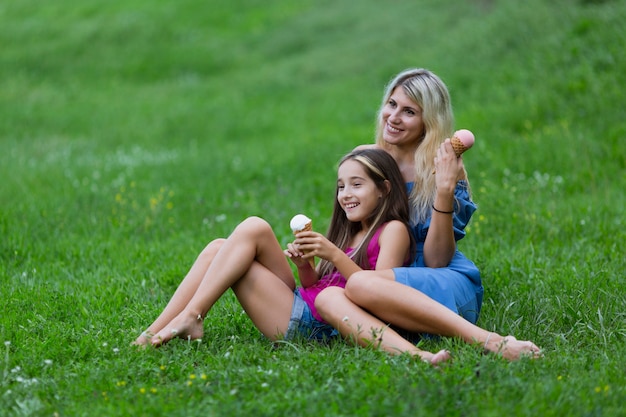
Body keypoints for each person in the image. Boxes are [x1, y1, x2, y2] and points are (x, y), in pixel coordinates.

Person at [133, 148, 451, 364]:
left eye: (357, 184)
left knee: (250, 228)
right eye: (341, 186)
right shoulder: (349, 231)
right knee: (222, 244)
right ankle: (152, 333)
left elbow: (380, 297)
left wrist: (334, 253)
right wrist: (306, 266)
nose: (346, 195)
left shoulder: (392, 230)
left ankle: (192, 316)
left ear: (383, 189)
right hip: (305, 303)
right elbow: (317, 284)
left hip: (316, 325)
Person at [315, 68, 542, 360]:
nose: (393, 117)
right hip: (379, 277)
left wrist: (445, 189)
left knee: (359, 284)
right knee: (333, 295)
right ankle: (416, 357)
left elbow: (437, 260)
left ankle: (493, 342)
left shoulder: (445, 166)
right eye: (392, 104)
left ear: (428, 122)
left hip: (440, 278)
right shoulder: (368, 159)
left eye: (409, 111)